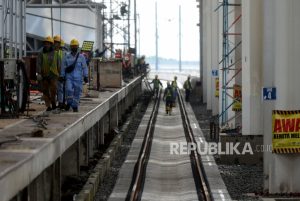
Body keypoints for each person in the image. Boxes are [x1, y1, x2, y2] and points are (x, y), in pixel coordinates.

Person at [61, 39, 88, 112]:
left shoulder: (81, 57)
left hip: (78, 78)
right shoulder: (66, 56)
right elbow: (63, 67)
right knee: (69, 90)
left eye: (75, 46)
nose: (74, 47)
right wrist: (62, 76)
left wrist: (86, 76)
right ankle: (69, 103)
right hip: (69, 77)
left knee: (77, 92)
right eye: (72, 46)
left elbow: (84, 67)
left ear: (77, 47)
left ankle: (75, 106)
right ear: (70, 47)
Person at [37, 36, 60, 111]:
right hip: (45, 75)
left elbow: (58, 64)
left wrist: (60, 74)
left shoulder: (56, 53)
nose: (46, 45)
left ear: (51, 44)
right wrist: (39, 73)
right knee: (45, 91)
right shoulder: (41, 53)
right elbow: (39, 64)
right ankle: (48, 106)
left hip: (54, 75)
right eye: (45, 43)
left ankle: (53, 103)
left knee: (53, 90)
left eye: (48, 43)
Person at [53, 35, 67, 109]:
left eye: (57, 42)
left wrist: (63, 74)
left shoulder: (63, 53)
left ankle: (62, 103)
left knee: (62, 88)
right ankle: (60, 102)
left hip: (62, 74)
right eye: (54, 42)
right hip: (55, 73)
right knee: (58, 89)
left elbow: (64, 64)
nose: (55, 44)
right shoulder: (53, 52)